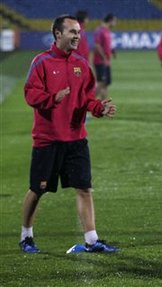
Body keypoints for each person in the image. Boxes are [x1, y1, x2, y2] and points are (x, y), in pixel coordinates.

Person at [19, 15, 118, 253]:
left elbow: (86, 98)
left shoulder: (81, 64)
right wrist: (52, 99)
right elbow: (30, 94)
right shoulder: (41, 62)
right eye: (73, 32)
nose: (77, 36)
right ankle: (26, 236)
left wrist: (98, 108)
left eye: (79, 32)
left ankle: (92, 240)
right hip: (48, 139)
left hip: (76, 139)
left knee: (84, 188)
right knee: (38, 189)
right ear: (58, 34)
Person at [93, 13, 116, 100]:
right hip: (100, 61)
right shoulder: (99, 30)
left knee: (105, 83)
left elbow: (106, 45)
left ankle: (103, 106)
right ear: (110, 21)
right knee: (101, 83)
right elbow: (97, 45)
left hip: (106, 61)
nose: (115, 23)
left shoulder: (107, 31)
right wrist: (104, 57)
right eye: (115, 21)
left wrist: (112, 51)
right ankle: (86, 104)